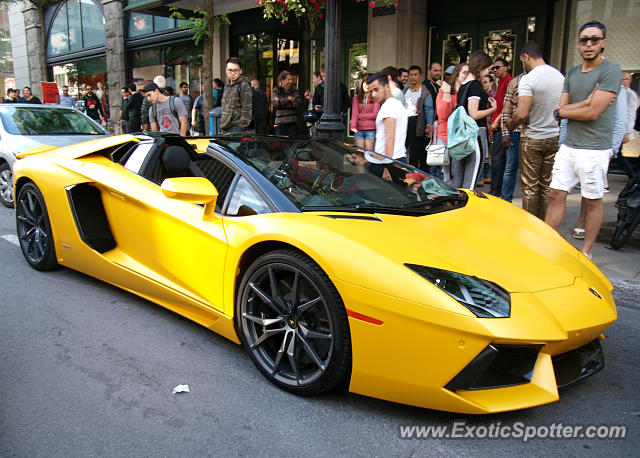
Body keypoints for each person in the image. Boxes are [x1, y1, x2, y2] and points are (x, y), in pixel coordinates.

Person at [545, 21, 622, 259]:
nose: (589, 44)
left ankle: (586, 252)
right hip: (569, 145)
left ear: (603, 43)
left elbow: (593, 113)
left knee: (592, 200)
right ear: (578, 43)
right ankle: (546, 246)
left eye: (594, 40)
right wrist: (585, 102)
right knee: (556, 194)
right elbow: (559, 111)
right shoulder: (573, 72)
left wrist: (576, 108)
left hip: (595, 148)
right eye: (584, 40)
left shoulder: (610, 70)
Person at [505, 42, 564, 219]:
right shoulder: (559, 76)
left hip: (533, 137)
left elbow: (522, 114)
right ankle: (545, 225)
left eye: (522, 61)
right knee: (546, 187)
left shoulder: (528, 79)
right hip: (553, 136)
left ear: (526, 57)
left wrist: (511, 124)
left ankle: (532, 226)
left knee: (530, 188)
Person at [451, 51, 497, 189]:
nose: (488, 72)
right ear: (481, 66)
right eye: (488, 68)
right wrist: (493, 109)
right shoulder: (475, 85)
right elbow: (474, 113)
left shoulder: (464, 86)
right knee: (470, 184)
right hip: (475, 135)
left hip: (462, 137)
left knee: (458, 182)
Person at [367, 72, 409, 172]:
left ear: (387, 87)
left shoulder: (389, 106)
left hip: (389, 162)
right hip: (393, 160)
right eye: (371, 91)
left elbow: (390, 137)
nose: (373, 94)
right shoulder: (394, 104)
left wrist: (387, 167)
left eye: (376, 90)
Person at [436, 63, 469, 184]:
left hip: (462, 137)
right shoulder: (446, 92)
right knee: (446, 174)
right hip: (446, 136)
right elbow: (443, 114)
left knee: (458, 172)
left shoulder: (467, 92)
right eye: (464, 73)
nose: (467, 76)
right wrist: (446, 94)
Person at [487, 58, 512, 195]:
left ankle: (496, 192)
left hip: (503, 128)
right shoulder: (500, 84)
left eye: (497, 67)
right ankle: (496, 190)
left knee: (499, 162)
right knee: (496, 161)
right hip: (497, 128)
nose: (495, 70)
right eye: (493, 68)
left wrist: (496, 121)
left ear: (506, 68)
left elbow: (507, 106)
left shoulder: (509, 82)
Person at [499, 71, 525, 202]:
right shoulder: (515, 82)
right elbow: (506, 108)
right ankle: (506, 200)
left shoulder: (542, 79)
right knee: (510, 168)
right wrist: (505, 132)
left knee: (528, 174)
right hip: (515, 132)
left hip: (532, 133)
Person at [403, 65, 434, 171]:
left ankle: (419, 174)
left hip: (418, 123)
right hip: (405, 122)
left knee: (418, 151)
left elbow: (429, 109)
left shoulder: (424, 92)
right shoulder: (405, 91)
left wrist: (429, 125)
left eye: (415, 75)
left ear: (420, 76)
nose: (413, 77)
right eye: (411, 75)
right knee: (407, 149)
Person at [221, 57, 253, 133]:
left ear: (240, 71)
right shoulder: (227, 86)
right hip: (225, 127)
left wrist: (241, 128)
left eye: (235, 70)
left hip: (236, 128)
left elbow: (247, 109)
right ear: (226, 70)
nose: (232, 73)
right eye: (230, 70)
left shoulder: (244, 85)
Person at [350, 77, 380, 151]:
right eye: (365, 83)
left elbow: (375, 114)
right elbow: (354, 113)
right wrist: (353, 126)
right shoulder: (356, 98)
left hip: (371, 129)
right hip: (358, 129)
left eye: (369, 84)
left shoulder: (376, 98)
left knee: (369, 154)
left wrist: (359, 116)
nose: (366, 86)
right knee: (359, 154)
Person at [273, 70, 303, 136]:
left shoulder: (294, 90)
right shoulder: (277, 90)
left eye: (291, 79)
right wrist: (288, 99)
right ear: (282, 81)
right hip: (280, 123)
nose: (291, 81)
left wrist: (281, 101)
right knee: (280, 143)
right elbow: (275, 104)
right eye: (288, 80)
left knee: (292, 143)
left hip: (292, 122)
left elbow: (297, 103)